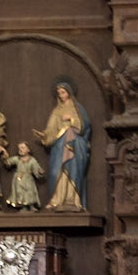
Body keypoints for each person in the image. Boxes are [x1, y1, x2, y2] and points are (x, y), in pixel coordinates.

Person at [40, 81, 91, 209]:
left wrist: (72, 119)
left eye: (63, 92)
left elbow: (85, 126)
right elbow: (52, 129)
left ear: (69, 92)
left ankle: (73, 200)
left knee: (73, 170)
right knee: (55, 171)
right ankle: (57, 200)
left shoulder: (77, 108)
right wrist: (45, 136)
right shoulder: (57, 110)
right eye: (59, 93)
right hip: (59, 146)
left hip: (74, 144)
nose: (61, 95)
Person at [4, 140, 44, 209]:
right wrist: (5, 157)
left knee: (30, 191)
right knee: (19, 192)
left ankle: (31, 205)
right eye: (19, 148)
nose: (20, 150)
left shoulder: (32, 160)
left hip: (28, 179)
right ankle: (23, 206)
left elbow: (36, 168)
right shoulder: (17, 159)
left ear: (28, 149)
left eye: (23, 148)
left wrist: (39, 172)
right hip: (19, 179)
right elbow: (9, 162)